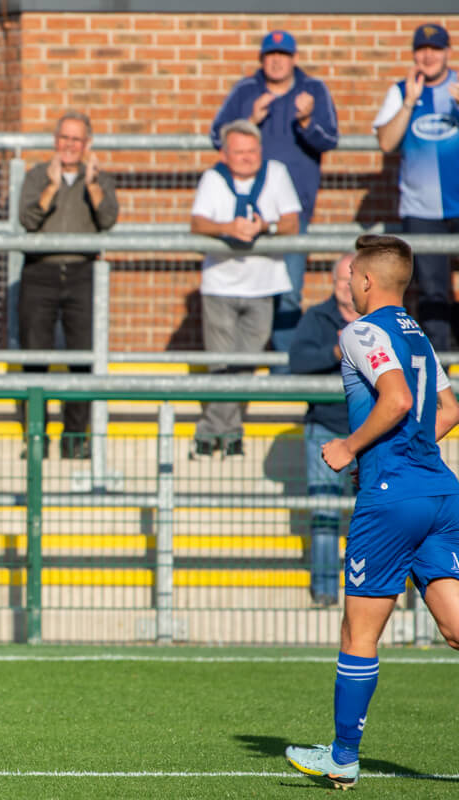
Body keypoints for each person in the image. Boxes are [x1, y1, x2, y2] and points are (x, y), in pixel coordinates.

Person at [285, 234, 459, 790]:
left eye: (352, 275)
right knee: (455, 628)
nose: (350, 285)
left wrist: (350, 447)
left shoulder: (360, 331)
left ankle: (342, 755)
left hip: (391, 497)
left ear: (365, 280)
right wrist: (405, 450)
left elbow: (398, 400)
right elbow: (449, 409)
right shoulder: (421, 336)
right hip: (438, 489)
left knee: (359, 631)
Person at [211, 30, 339, 369]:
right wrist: (249, 121)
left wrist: (307, 120)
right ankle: (243, 369)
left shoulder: (313, 90)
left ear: (294, 58)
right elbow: (216, 136)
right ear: (262, 59)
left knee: (289, 292)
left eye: (283, 54)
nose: (277, 60)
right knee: (248, 289)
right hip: (244, 212)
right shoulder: (246, 91)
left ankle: (286, 371)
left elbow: (330, 140)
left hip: (292, 215)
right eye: (271, 55)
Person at [189, 119, 301, 459]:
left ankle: (222, 431)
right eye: (239, 152)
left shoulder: (277, 173)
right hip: (220, 283)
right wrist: (229, 228)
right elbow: (197, 223)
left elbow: (292, 221)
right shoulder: (213, 178)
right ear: (225, 153)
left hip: (263, 284)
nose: (246, 157)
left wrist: (262, 226)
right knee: (221, 363)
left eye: (252, 151)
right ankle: (218, 434)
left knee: (246, 364)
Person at [17, 110, 118, 459]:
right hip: (40, 272)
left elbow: (108, 220)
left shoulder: (100, 180)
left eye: (77, 139)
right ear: (55, 141)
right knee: (34, 357)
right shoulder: (37, 176)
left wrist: (91, 185)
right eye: (64, 138)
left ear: (87, 144)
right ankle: (35, 439)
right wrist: (52, 186)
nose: (70, 145)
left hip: (81, 273)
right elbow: (27, 219)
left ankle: (75, 439)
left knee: (83, 358)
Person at [372, 23, 459, 352]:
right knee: (432, 290)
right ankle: (441, 366)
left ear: (447, 52)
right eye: (422, 49)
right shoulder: (401, 90)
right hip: (422, 209)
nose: (428, 56)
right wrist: (408, 103)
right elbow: (386, 142)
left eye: (435, 49)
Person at [288, 254, 359, 607]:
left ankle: (371, 591)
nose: (348, 288)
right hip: (327, 428)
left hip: (372, 431)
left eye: (354, 280)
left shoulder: (378, 320)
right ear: (333, 284)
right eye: (342, 281)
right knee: (325, 512)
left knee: (377, 514)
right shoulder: (317, 318)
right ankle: (327, 593)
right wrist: (336, 348)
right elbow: (297, 363)